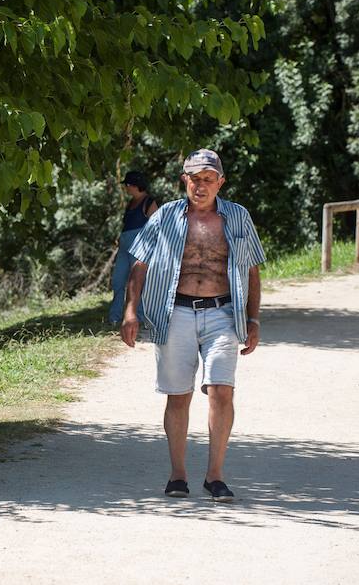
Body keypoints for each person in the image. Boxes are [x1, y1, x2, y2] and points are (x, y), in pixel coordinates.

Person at [120, 149, 264, 503]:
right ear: (184, 180)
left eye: (208, 179)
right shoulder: (165, 216)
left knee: (221, 390)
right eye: (194, 178)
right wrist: (130, 311)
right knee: (178, 394)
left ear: (220, 182)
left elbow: (252, 269)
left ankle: (215, 476)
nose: (200, 186)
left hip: (223, 313)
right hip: (176, 313)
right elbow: (139, 264)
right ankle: (178, 475)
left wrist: (254, 317)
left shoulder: (238, 217)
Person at [108, 171, 158, 324]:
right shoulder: (130, 203)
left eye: (127, 185)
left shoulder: (149, 202)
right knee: (118, 281)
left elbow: (157, 227)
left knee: (137, 282)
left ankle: (141, 318)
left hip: (140, 247)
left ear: (135, 185)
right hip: (124, 246)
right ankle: (114, 318)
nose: (126, 188)